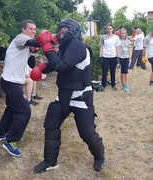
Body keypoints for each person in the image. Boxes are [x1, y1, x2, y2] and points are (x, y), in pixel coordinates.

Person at [31, 18, 105, 173]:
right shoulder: (65, 47)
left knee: (87, 134)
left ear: (74, 31)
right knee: (51, 125)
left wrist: (47, 47)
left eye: (66, 30)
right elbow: (56, 62)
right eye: (60, 29)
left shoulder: (78, 46)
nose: (61, 32)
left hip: (81, 97)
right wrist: (42, 68)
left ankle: (99, 156)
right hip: (64, 94)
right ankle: (50, 162)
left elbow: (62, 66)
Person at [0, 19, 40, 157]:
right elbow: (34, 42)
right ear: (23, 29)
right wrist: (48, 40)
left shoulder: (26, 45)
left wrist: (32, 53)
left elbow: (31, 64)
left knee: (12, 109)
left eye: (35, 29)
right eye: (31, 28)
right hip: (10, 83)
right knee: (25, 111)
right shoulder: (20, 38)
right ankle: (10, 141)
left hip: (14, 82)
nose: (33, 31)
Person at [99, 23, 121, 91]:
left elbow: (117, 48)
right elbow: (101, 47)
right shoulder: (103, 37)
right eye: (108, 29)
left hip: (113, 56)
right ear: (106, 29)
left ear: (112, 29)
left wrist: (118, 57)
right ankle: (103, 85)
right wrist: (100, 57)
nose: (109, 30)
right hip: (105, 56)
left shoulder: (116, 37)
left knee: (113, 71)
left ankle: (113, 85)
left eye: (110, 29)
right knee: (104, 72)